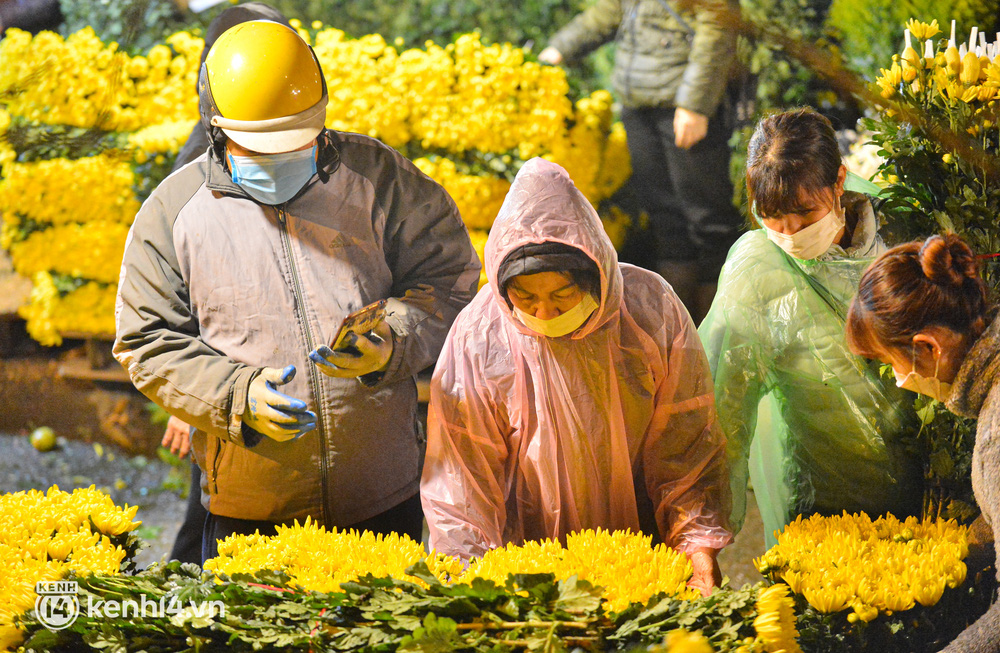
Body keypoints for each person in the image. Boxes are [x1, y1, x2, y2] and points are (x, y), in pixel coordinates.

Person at [114, 19, 481, 561]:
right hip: (252, 502)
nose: (279, 161)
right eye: (257, 148)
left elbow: (450, 280)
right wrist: (234, 395)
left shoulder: (380, 180)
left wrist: (393, 338)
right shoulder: (173, 212)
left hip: (380, 490)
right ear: (217, 127)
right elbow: (147, 340)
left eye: (296, 143)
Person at [420, 158, 731, 596]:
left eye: (562, 295)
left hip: (643, 561)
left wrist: (696, 544)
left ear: (594, 277)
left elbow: (686, 444)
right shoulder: (480, 335)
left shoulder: (648, 311)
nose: (543, 313)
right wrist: (472, 581)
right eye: (525, 297)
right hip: (527, 568)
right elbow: (460, 475)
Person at [698, 107, 923, 548]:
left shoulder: (900, 233)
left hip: (922, 491)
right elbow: (723, 408)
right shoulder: (757, 269)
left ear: (839, 182)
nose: (791, 231)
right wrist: (704, 531)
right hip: (818, 501)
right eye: (772, 215)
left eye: (804, 212)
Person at [159, 0, 292, 567]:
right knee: (215, 519)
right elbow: (180, 289)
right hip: (228, 373)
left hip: (281, 364)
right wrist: (190, 395)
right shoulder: (201, 168)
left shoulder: (296, 148)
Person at [537, 0, 743, 322]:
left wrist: (696, 104)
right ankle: (678, 326)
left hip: (682, 106)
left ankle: (720, 325)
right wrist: (558, 49)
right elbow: (607, 13)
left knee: (708, 219)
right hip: (639, 105)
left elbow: (717, 27)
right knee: (664, 218)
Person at [845, 233, 998, 652]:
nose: (896, 378)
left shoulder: (995, 436)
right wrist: (933, 559)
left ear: (926, 348)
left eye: (889, 362)